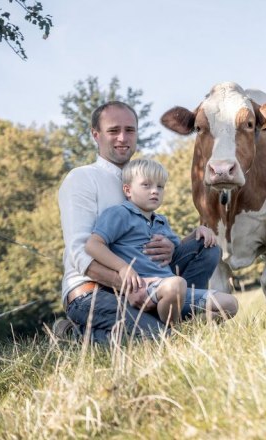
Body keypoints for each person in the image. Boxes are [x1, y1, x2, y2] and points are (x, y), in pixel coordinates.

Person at [55, 101, 237, 343]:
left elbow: (147, 237)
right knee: (157, 339)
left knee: (206, 246)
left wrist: (173, 248)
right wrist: (129, 285)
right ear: (96, 135)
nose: (122, 137)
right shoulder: (82, 178)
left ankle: (174, 314)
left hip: (152, 283)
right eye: (113, 131)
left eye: (129, 130)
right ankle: (73, 333)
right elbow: (81, 254)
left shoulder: (143, 177)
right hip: (95, 291)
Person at [85, 158, 219, 325]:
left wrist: (197, 233)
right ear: (128, 190)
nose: (155, 191)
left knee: (229, 304)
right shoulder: (119, 214)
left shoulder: (161, 221)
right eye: (146, 185)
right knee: (177, 284)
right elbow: (93, 245)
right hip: (147, 288)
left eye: (160, 186)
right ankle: (174, 330)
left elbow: (179, 249)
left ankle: (186, 320)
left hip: (172, 287)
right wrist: (124, 268)